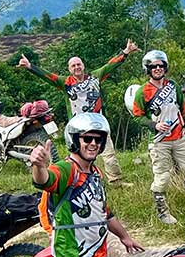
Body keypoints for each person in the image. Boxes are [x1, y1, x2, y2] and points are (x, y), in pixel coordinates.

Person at [28, 112, 144, 257]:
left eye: (98, 139)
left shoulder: (95, 174)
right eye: (87, 138)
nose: (93, 143)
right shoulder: (67, 170)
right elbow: (45, 180)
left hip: (96, 254)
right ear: (75, 140)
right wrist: (38, 166)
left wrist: (125, 237)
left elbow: (105, 212)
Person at [18, 39, 139, 183]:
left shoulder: (95, 77)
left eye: (78, 64)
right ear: (69, 69)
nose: (77, 67)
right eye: (73, 65)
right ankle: (77, 181)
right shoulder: (65, 83)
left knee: (109, 154)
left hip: (98, 124)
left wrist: (126, 52)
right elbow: (47, 76)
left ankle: (116, 181)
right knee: (78, 157)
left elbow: (110, 65)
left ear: (83, 66)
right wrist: (30, 66)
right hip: (78, 127)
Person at [130, 49, 185, 224]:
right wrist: (154, 125)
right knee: (162, 177)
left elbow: (184, 107)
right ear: (148, 69)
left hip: (179, 138)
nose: (158, 69)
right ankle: (163, 212)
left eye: (161, 65)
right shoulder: (142, 92)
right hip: (159, 141)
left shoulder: (173, 86)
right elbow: (137, 117)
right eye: (153, 66)